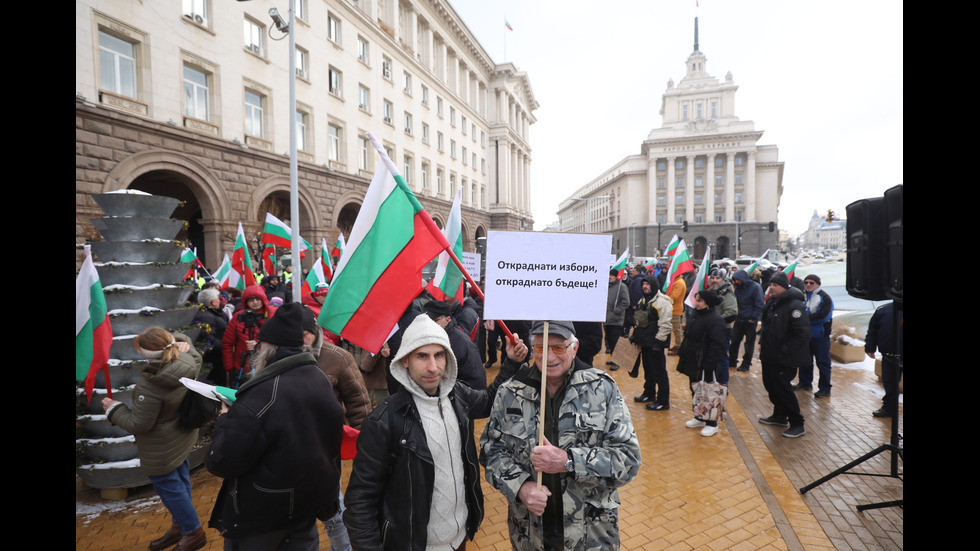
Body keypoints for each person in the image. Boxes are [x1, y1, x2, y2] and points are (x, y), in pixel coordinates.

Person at [344, 314, 524, 551]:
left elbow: (489, 401)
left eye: (439, 355)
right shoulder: (384, 422)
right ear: (405, 360)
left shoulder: (457, 394)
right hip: (414, 544)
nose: (432, 367)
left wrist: (510, 362)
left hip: (459, 538)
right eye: (422, 356)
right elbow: (361, 500)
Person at [481, 320, 641, 550]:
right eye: (540, 347)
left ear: (574, 348)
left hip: (591, 534)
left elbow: (628, 460)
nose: (548, 356)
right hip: (530, 534)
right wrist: (522, 486)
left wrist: (568, 461)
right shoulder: (510, 391)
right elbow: (491, 450)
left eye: (558, 348)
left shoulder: (602, 388)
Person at [207, 303, 345, 550]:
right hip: (304, 513)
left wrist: (225, 418)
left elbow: (221, 460)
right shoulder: (318, 378)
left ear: (267, 349)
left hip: (262, 521)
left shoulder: (261, 395)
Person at [102, 328, 207, 551]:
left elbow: (140, 424)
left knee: (171, 488)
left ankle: (193, 532)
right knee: (180, 481)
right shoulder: (189, 359)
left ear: (148, 356)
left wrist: (114, 409)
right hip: (180, 436)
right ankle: (181, 526)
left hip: (160, 446)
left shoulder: (150, 386)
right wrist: (183, 340)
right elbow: (193, 352)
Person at [304, 307, 370, 551]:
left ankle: (343, 547)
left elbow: (358, 401)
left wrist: (366, 443)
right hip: (288, 448)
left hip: (326, 447)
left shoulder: (336, 357)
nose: (301, 340)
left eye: (305, 334)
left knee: (332, 505)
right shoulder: (274, 356)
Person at [757, 273, 810, 438]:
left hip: (784, 358)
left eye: (776, 285)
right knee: (771, 386)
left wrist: (784, 351)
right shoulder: (773, 302)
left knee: (783, 389)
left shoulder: (795, 306)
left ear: (785, 287)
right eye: (771, 284)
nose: (771, 288)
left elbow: (802, 334)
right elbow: (766, 326)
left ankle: (797, 423)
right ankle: (779, 416)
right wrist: (762, 344)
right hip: (769, 355)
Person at [677, 290, 727, 437]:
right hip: (693, 360)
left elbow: (717, 344)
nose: (696, 303)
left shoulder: (715, 319)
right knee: (696, 390)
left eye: (699, 300)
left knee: (708, 392)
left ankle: (712, 423)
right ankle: (699, 416)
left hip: (705, 362)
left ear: (707, 303)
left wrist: (710, 363)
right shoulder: (697, 314)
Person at [631, 276, 674, 410]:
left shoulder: (663, 302)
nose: (645, 286)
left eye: (648, 284)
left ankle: (663, 400)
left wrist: (658, 342)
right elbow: (639, 321)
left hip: (655, 343)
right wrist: (634, 336)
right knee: (648, 369)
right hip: (644, 342)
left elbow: (666, 324)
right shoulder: (643, 300)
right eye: (643, 284)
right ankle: (649, 393)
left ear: (654, 286)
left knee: (659, 372)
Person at [423, 299, 487, 390]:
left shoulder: (461, 343)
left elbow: (477, 381)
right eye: (425, 321)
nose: (427, 325)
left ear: (447, 320)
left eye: (433, 321)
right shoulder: (436, 337)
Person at [221, 284, 276, 387]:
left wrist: (258, 346)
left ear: (263, 299)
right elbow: (227, 343)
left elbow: (279, 339)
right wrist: (230, 368)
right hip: (242, 366)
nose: (255, 302)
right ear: (246, 302)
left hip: (268, 365)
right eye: (251, 300)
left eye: (257, 299)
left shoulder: (273, 314)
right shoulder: (239, 317)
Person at [796, 274, 835, 397]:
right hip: (805, 335)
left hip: (820, 336)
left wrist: (803, 319)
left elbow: (824, 316)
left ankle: (825, 388)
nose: (808, 285)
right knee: (805, 360)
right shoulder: (802, 296)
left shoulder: (824, 298)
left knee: (823, 363)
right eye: (806, 282)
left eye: (811, 283)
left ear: (818, 284)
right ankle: (805, 382)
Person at [865, 302, 903, 418]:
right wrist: (870, 347)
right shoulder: (883, 310)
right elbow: (873, 330)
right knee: (890, 385)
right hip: (889, 356)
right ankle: (889, 408)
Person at [729, 269, 765, 372]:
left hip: (750, 320)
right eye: (735, 279)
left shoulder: (755, 287)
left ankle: (746, 363)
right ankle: (732, 360)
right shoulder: (738, 288)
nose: (736, 281)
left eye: (737, 279)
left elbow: (759, 304)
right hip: (739, 318)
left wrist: (753, 318)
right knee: (735, 340)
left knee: (749, 343)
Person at [193, 288, 229, 386]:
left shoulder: (213, 313)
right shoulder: (205, 317)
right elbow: (208, 339)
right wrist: (226, 346)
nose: (220, 300)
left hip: (217, 357)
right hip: (214, 359)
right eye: (218, 298)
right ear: (213, 302)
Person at [708, 269, 738, 385]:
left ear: (722, 279)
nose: (714, 280)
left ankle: (722, 384)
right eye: (713, 278)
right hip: (710, 331)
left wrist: (714, 322)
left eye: (717, 278)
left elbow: (731, 313)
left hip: (722, 331)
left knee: (721, 358)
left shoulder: (727, 293)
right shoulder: (711, 291)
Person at [604, 269, 630, 370]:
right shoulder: (608, 286)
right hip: (607, 319)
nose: (610, 276)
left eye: (612, 275)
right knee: (609, 340)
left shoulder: (621, 287)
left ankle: (617, 362)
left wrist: (616, 312)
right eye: (609, 274)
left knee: (615, 341)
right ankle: (613, 358)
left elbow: (626, 302)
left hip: (616, 320)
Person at [665, 274, 687, 355]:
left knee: (676, 329)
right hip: (673, 309)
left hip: (675, 309)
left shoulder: (679, 283)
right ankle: (677, 345)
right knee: (674, 329)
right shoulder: (676, 282)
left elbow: (674, 297)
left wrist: (664, 298)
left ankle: (678, 347)